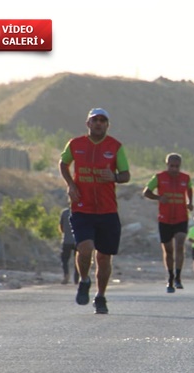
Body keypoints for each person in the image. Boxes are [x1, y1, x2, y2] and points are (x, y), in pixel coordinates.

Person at [59, 108, 130, 314]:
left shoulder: (115, 147)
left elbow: (126, 174)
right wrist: (71, 185)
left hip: (107, 210)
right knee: (85, 248)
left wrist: (115, 177)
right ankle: (84, 279)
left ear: (107, 125)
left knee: (104, 258)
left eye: (103, 120)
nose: (99, 123)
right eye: (95, 120)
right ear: (88, 123)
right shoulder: (75, 144)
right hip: (82, 207)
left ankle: (100, 296)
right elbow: (63, 163)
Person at [142, 153, 194, 293]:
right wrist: (158, 197)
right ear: (167, 165)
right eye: (172, 166)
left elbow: (189, 190)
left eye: (177, 166)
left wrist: (190, 202)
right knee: (168, 250)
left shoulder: (185, 178)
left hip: (181, 217)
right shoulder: (159, 177)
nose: (174, 169)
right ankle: (170, 277)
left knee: (179, 243)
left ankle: (178, 277)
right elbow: (146, 192)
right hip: (164, 219)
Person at [58, 207, 78, 285]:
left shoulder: (65, 212)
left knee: (64, 259)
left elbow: (61, 227)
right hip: (78, 240)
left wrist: (66, 233)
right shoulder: (81, 212)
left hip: (67, 240)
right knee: (78, 260)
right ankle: (77, 278)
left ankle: (66, 274)